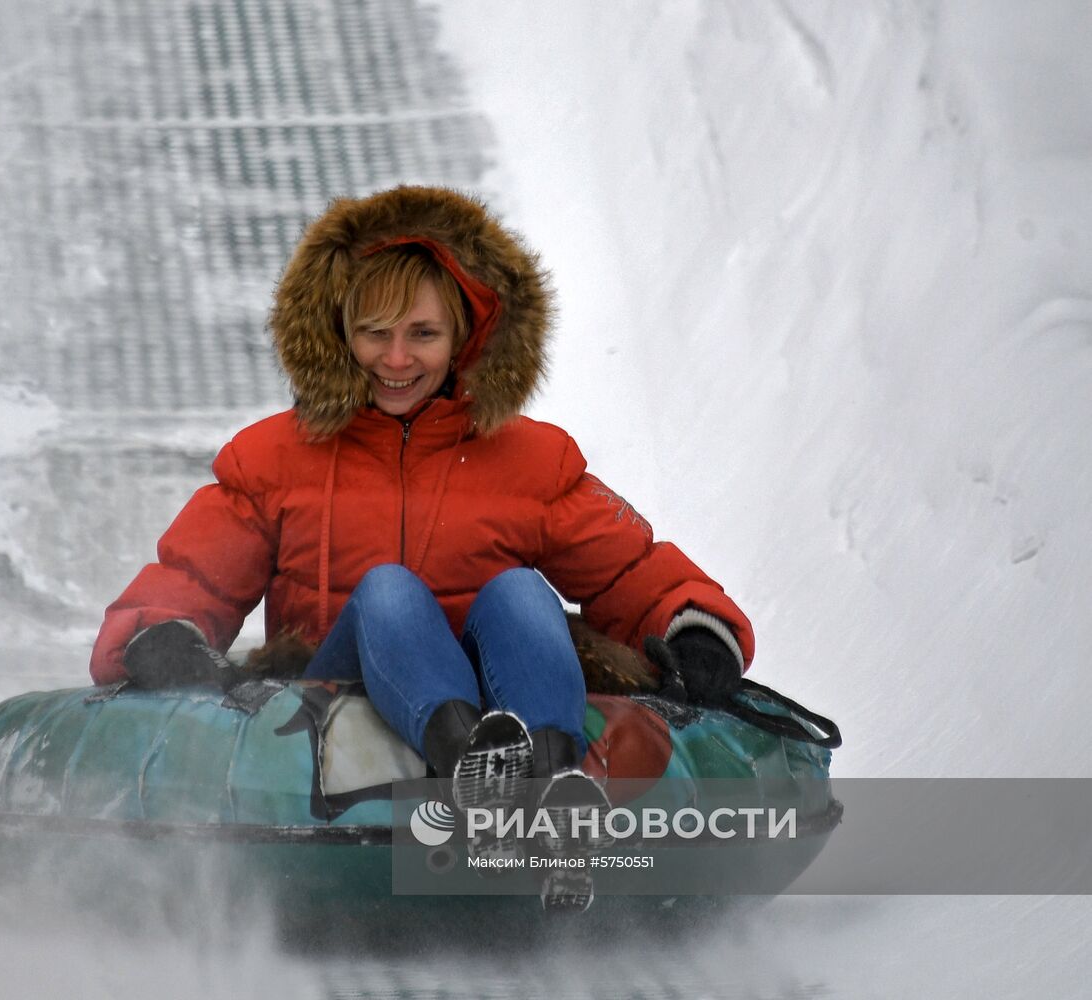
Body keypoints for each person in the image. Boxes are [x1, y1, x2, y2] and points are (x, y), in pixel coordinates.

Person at [89, 186, 753, 909]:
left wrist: (696, 631)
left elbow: (634, 570)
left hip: (504, 696)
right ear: (337, 333)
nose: (396, 359)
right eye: (374, 332)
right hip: (344, 694)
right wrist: (160, 635)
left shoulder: (530, 460)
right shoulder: (276, 458)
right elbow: (192, 575)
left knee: (521, 592)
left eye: (423, 335)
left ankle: (558, 786)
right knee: (389, 592)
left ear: (467, 337)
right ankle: (477, 778)